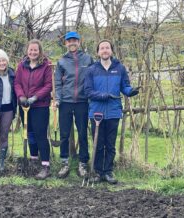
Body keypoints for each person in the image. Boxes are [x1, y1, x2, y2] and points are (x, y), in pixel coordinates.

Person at [84, 39, 140, 184]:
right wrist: (103, 96)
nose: (104, 50)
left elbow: (125, 87)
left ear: (111, 51)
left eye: (107, 48)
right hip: (97, 112)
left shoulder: (119, 68)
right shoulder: (92, 69)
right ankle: (97, 172)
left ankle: (108, 172)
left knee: (110, 144)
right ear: (98, 52)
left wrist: (131, 91)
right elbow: (88, 91)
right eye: (102, 48)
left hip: (114, 112)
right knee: (98, 143)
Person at [54, 31, 94, 178]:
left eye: (74, 40)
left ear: (79, 42)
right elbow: (57, 82)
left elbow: (94, 77)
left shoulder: (88, 59)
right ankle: (65, 163)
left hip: (82, 102)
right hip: (65, 102)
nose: (72, 43)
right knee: (64, 134)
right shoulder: (62, 61)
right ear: (66, 43)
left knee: (83, 134)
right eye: (69, 41)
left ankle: (83, 164)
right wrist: (58, 98)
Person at [14, 39, 52, 180]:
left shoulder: (46, 66)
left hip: (40, 106)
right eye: (31, 50)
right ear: (27, 51)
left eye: (35, 50)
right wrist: (21, 96)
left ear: (40, 51)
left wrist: (35, 97)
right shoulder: (22, 65)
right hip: (24, 106)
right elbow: (17, 83)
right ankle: (33, 160)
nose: (33, 52)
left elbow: (48, 85)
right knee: (29, 134)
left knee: (40, 135)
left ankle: (45, 166)